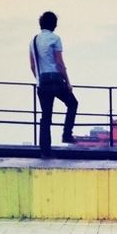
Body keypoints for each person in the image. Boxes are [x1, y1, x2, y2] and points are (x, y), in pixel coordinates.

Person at [29, 11, 78, 154]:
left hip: (42, 82)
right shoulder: (55, 39)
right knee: (72, 103)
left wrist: (39, 80)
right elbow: (59, 63)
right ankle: (67, 134)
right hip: (56, 80)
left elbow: (32, 65)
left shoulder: (33, 41)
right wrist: (68, 82)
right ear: (54, 25)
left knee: (46, 116)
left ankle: (45, 150)